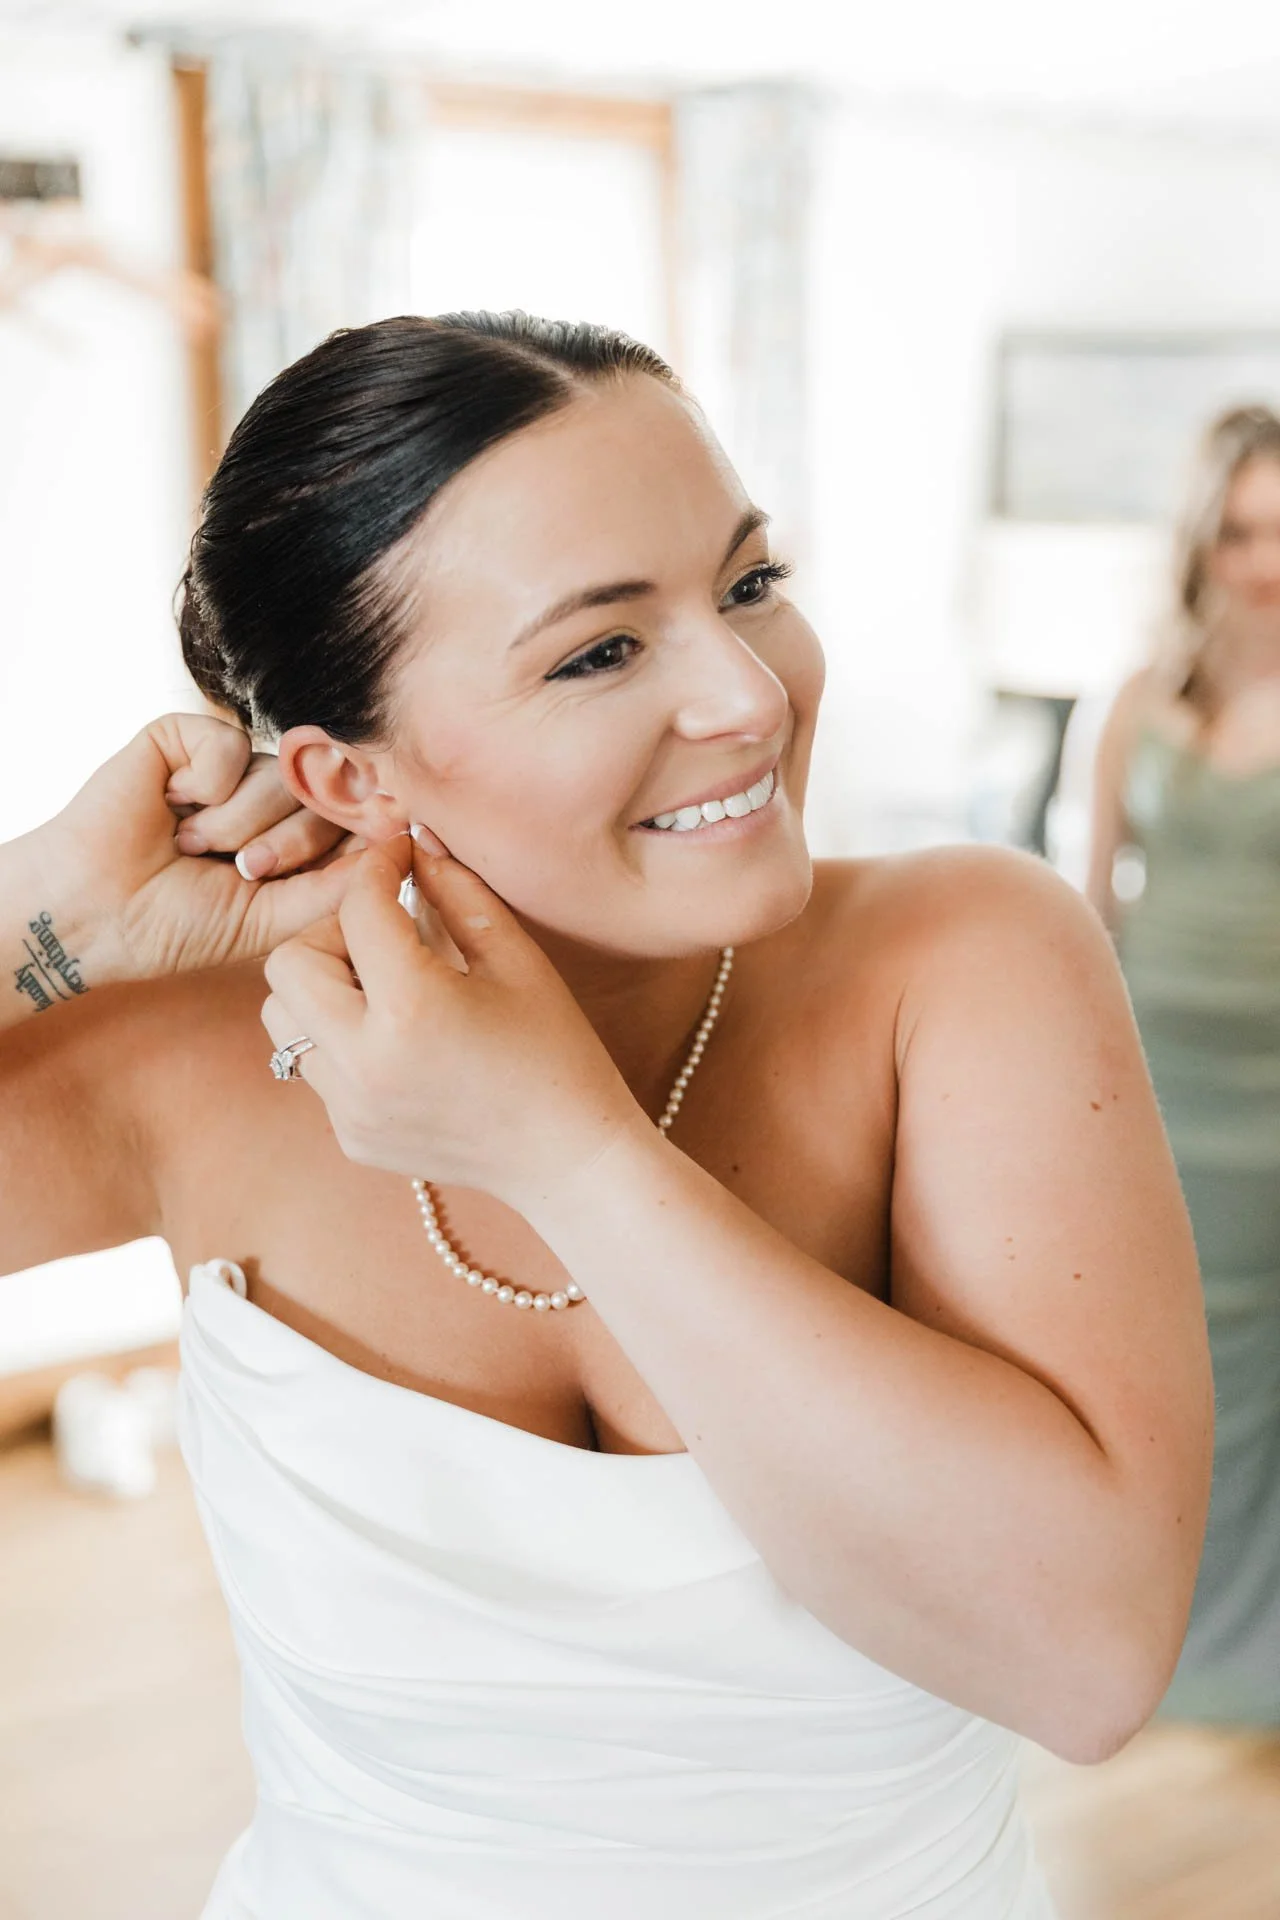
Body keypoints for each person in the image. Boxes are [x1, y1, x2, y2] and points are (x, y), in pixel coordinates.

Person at [1, 313, 1210, 1919]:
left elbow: (1088, 1660)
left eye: (751, 584)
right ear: (348, 778)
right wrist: (43, 920)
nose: (751, 696)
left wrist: (563, 1148)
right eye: (600, 652)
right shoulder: (202, 1048)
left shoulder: (966, 958)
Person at [1087, 402, 1280, 1728]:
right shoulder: (1139, 699)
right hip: (1163, 1076)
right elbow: (1090, 906)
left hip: (1275, 1081)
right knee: (1174, 1352)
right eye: (1241, 533)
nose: (1265, 562)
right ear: (1202, 543)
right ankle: (1159, 1617)